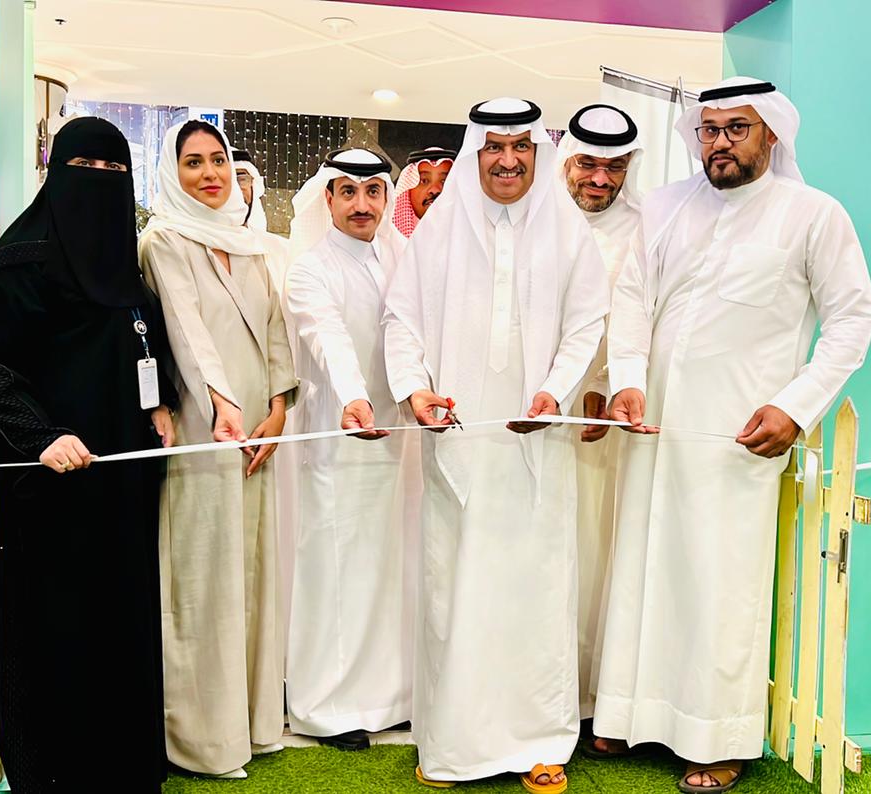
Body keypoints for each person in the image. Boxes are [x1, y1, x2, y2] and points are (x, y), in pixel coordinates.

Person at [592, 76, 871, 793]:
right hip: (654, 423)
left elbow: (853, 319)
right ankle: (628, 713)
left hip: (740, 433)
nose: (719, 143)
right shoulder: (664, 207)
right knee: (642, 567)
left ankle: (716, 737)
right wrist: (627, 377)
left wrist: (796, 407)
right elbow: (632, 301)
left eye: (736, 129)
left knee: (720, 582)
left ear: (771, 134)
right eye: (709, 130)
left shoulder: (813, 215)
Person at [383, 97, 608, 792]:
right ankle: (454, 745)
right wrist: (413, 389)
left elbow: (587, 322)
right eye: (493, 148)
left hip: (536, 443)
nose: (507, 161)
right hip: (459, 441)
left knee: (535, 589)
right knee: (457, 590)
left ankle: (541, 741)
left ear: (537, 153)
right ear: (475, 152)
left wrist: (557, 391)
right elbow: (401, 319)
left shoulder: (568, 232)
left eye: (520, 148)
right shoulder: (439, 231)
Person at [0, 116, 173, 793]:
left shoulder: (124, 268)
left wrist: (160, 404)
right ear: (56, 173)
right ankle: (53, 772)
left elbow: (143, 343)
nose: (101, 184)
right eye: (86, 169)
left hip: (123, 483)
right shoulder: (18, 264)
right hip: (51, 489)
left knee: (122, 619)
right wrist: (40, 435)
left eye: (115, 172)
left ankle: (126, 767)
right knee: (57, 625)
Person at [138, 120, 297, 779]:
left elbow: (277, 329)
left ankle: (255, 725)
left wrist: (279, 409)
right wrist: (223, 407)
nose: (209, 174)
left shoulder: (251, 242)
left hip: (257, 433)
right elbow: (184, 330)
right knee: (204, 579)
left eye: (218, 160)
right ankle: (204, 740)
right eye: (193, 162)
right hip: (205, 434)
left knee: (254, 572)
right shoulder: (163, 240)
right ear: (171, 172)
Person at [282, 148, 417, 751]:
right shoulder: (310, 268)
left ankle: (389, 698)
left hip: (396, 436)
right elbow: (328, 337)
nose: (362, 204)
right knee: (336, 570)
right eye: (348, 192)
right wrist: (354, 398)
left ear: (386, 196)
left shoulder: (400, 256)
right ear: (328, 198)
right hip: (340, 435)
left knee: (389, 564)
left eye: (373, 191)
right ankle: (327, 708)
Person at [553, 104, 645, 733]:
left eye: (615, 168)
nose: (600, 179)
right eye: (588, 164)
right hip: (539, 416)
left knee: (599, 552)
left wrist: (604, 387)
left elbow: (644, 322)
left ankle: (594, 698)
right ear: (567, 160)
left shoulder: (645, 229)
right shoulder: (537, 224)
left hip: (608, 420)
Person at [233, 147, 291, 287]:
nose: (234, 189)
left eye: (240, 179)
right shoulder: (188, 251)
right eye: (225, 181)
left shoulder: (281, 250)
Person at [391, 146, 455, 239]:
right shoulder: (390, 244)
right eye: (424, 181)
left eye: (444, 181)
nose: (435, 190)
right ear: (408, 191)